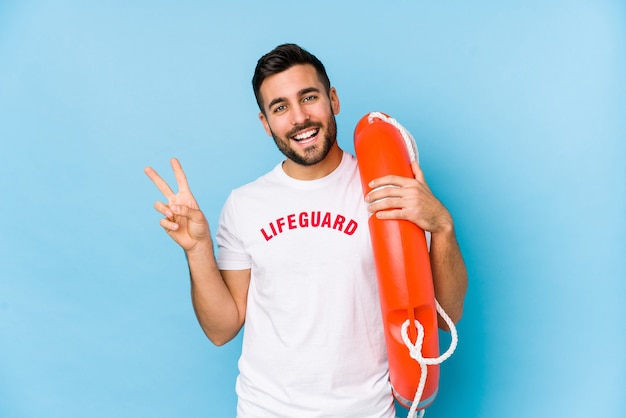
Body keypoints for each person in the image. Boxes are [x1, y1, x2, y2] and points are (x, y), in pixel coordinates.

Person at [145, 43, 467, 418]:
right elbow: (222, 328)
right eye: (280, 107)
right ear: (266, 124)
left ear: (333, 99)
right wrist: (197, 248)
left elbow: (449, 315)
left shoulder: (389, 189)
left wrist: (442, 225)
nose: (299, 118)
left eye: (309, 97)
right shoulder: (245, 204)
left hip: (366, 410)